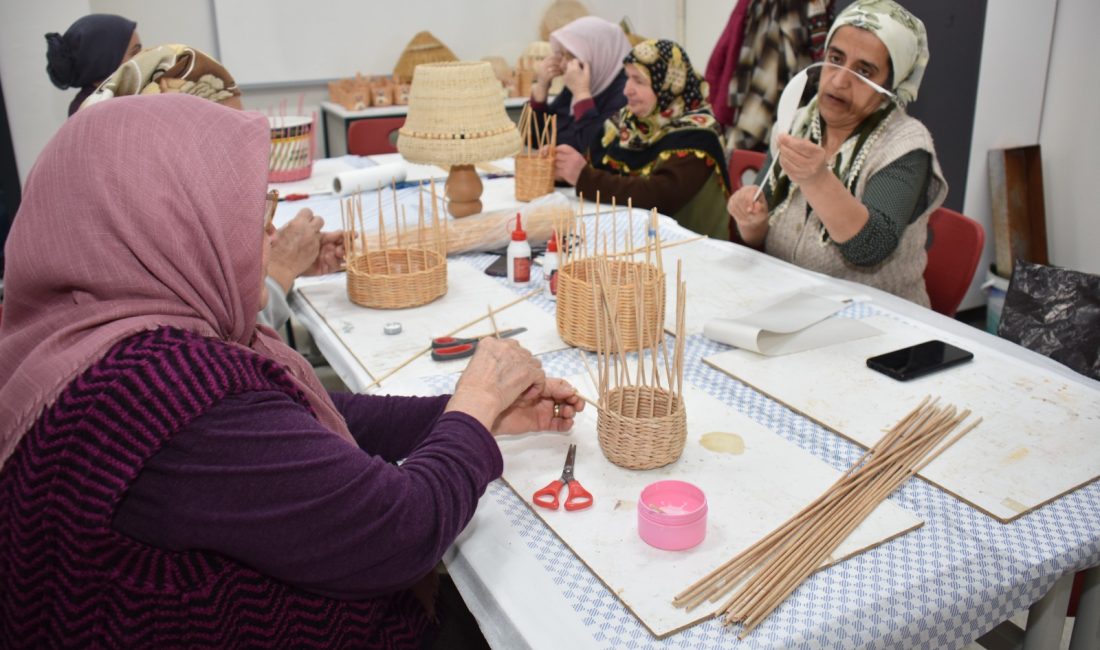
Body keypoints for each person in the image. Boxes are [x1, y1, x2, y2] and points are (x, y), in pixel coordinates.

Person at [0, 94, 584, 647]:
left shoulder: (94, 332)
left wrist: (475, 413)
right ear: (169, 222)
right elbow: (399, 531)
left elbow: (292, 419)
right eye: (251, 212)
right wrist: (474, 409)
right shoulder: (160, 392)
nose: (270, 233)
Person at [727, 0, 948, 307]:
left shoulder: (906, 146)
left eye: (864, 71)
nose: (840, 80)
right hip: (792, 301)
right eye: (835, 58)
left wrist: (817, 179)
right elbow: (760, 228)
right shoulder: (798, 119)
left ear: (890, 85)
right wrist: (751, 221)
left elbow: (869, 247)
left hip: (879, 322)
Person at [554, 40, 731, 240]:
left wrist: (583, 177)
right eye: (627, 78)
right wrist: (563, 169)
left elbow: (658, 196)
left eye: (638, 81)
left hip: (693, 250)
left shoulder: (699, 132)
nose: (626, 90)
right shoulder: (627, 122)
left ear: (668, 84)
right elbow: (598, 169)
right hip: (636, 239)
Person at [529, 15, 631, 153]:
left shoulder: (626, 93)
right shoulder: (579, 86)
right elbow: (537, 140)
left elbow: (594, 152)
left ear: (599, 54)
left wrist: (582, 94)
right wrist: (541, 88)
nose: (563, 64)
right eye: (562, 55)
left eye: (571, 56)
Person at [45, 14, 142, 117]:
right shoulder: (90, 112)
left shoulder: (124, 96)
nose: (144, 57)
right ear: (103, 62)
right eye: (134, 52)